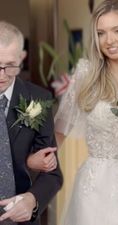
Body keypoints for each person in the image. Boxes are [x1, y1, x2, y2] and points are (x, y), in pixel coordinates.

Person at [53, 0, 118, 224]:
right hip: (94, 191)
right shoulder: (86, 74)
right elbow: (56, 135)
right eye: (101, 33)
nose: (109, 40)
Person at [0, 21, 63, 225]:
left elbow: (53, 174)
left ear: (22, 58)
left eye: (10, 66)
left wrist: (32, 200)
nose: (1, 75)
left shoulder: (37, 100)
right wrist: (28, 160)